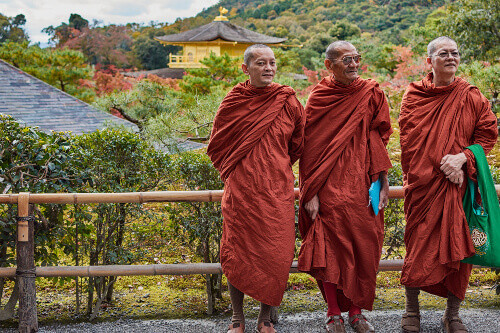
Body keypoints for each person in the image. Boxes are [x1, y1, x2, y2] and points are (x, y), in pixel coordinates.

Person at [398, 36, 498, 333]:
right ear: (429, 61)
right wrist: (440, 168)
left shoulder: (471, 95)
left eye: (455, 53)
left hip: (459, 186)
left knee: (460, 248)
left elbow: (487, 135)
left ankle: (453, 314)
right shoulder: (413, 95)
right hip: (424, 185)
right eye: (444, 53)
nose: (451, 57)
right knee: (416, 244)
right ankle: (411, 309)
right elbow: (409, 143)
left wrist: (463, 159)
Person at [207, 44, 305, 333]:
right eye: (261, 63)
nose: (268, 68)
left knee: (276, 253)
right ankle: (238, 318)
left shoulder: (287, 101)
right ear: (245, 68)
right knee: (237, 252)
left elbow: (297, 144)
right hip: (242, 192)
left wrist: (272, 165)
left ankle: (265, 318)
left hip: (277, 191)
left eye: (272, 63)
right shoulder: (234, 102)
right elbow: (217, 146)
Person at [298, 41, 393, 333]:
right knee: (329, 251)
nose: (353, 64)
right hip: (328, 188)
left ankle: (356, 312)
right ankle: (333, 313)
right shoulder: (318, 97)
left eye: (356, 58)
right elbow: (310, 149)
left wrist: (385, 183)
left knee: (364, 248)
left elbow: (380, 139)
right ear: (329, 65)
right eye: (345, 60)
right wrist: (309, 192)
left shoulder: (372, 93)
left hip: (364, 184)